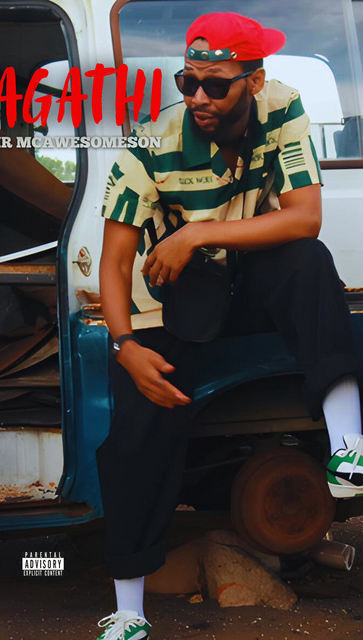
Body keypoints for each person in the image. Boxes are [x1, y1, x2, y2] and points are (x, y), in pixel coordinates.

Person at [96, 12, 363, 640]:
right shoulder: (150, 145)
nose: (197, 97)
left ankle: (348, 446)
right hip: (174, 299)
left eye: (216, 85)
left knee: (307, 261)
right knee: (138, 434)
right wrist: (124, 344)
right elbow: (113, 261)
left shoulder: (282, 107)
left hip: (247, 273)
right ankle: (129, 610)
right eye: (187, 82)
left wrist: (198, 232)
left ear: (254, 80)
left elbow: (304, 218)